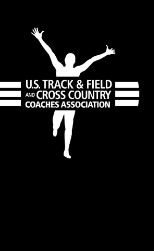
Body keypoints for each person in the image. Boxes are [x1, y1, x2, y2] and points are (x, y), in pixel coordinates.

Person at [31, 28, 116, 159]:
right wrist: (40, 39)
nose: (70, 59)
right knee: (56, 121)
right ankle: (54, 128)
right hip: (59, 101)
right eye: (68, 57)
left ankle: (66, 150)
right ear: (65, 59)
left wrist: (105, 54)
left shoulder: (77, 71)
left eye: (72, 58)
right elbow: (50, 52)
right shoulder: (59, 67)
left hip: (71, 102)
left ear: (74, 61)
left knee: (69, 127)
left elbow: (91, 60)